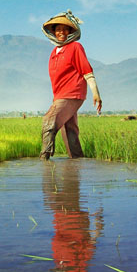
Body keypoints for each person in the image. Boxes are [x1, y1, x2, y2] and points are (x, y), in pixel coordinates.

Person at [39, 10, 102, 160]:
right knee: (69, 131)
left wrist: (96, 93)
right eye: (58, 29)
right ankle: (76, 163)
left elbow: (87, 71)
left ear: (70, 31)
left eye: (65, 29)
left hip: (72, 93)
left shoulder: (75, 47)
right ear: (53, 32)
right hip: (60, 96)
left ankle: (44, 163)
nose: (61, 32)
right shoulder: (55, 52)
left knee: (48, 121)